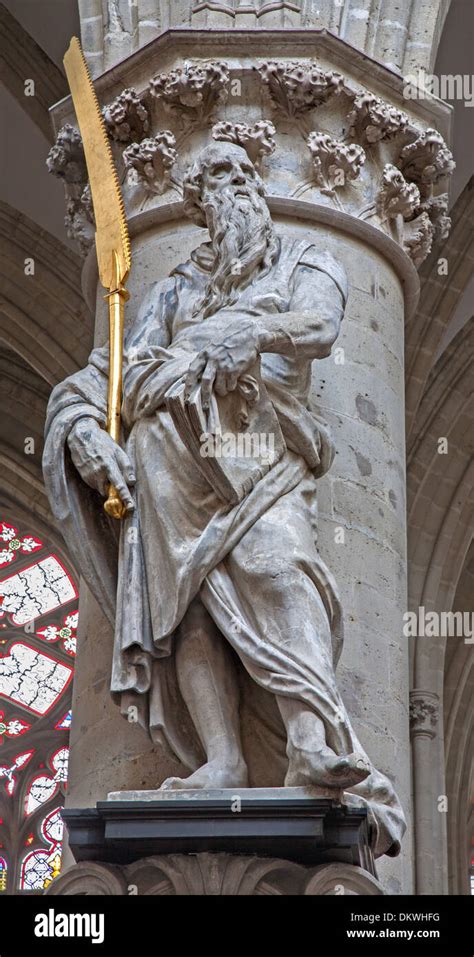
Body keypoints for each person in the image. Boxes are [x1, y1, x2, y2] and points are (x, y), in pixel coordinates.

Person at [43, 143, 405, 857]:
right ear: (199, 204)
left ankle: (312, 739)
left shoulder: (307, 259)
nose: (236, 186)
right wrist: (85, 428)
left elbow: (320, 327)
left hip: (258, 457)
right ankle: (223, 759)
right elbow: (113, 374)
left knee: (280, 568)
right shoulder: (173, 290)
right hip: (168, 468)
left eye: (244, 173)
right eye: (217, 178)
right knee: (189, 606)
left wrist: (252, 330)